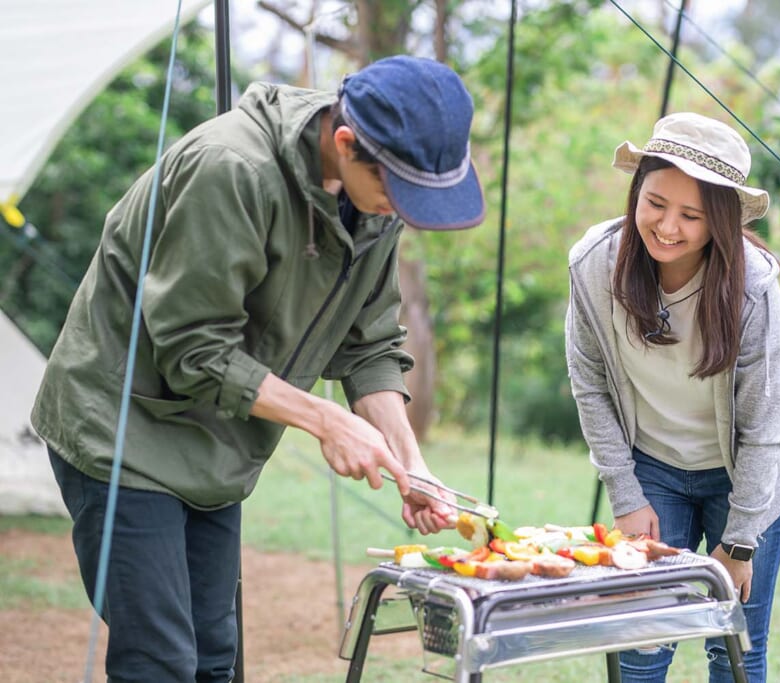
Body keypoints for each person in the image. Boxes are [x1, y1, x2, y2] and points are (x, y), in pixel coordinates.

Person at [32, 55, 484, 682]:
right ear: (346, 143)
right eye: (396, 193)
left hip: (219, 442)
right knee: (160, 662)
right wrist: (323, 419)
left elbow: (369, 341)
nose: (402, 212)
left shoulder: (373, 197)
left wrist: (412, 464)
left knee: (216, 659)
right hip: (121, 430)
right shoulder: (233, 171)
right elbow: (193, 348)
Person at [565, 112, 780, 683]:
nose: (667, 226)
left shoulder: (753, 289)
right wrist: (625, 493)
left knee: (734, 645)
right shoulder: (596, 265)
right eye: (654, 202)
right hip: (655, 469)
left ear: (719, 220)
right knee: (640, 643)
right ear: (635, 192)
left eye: (691, 215)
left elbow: (767, 427)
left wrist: (740, 543)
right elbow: (589, 382)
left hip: (747, 479)